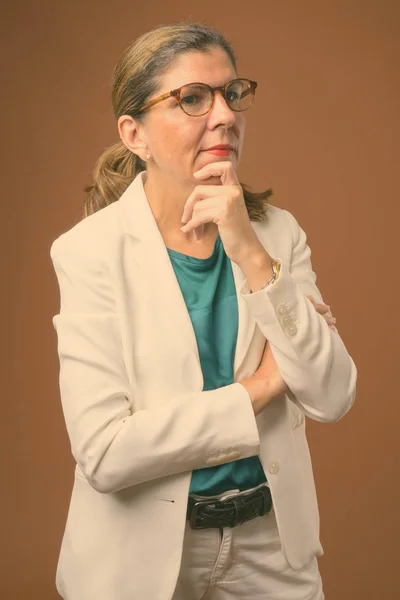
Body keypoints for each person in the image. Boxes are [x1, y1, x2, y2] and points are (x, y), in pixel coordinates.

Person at [50, 21, 357, 600]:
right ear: (134, 133)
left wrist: (248, 248)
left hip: (271, 545)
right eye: (192, 98)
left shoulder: (277, 234)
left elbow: (333, 393)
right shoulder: (88, 253)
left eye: (231, 94)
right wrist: (261, 389)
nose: (224, 115)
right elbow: (106, 452)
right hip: (142, 555)